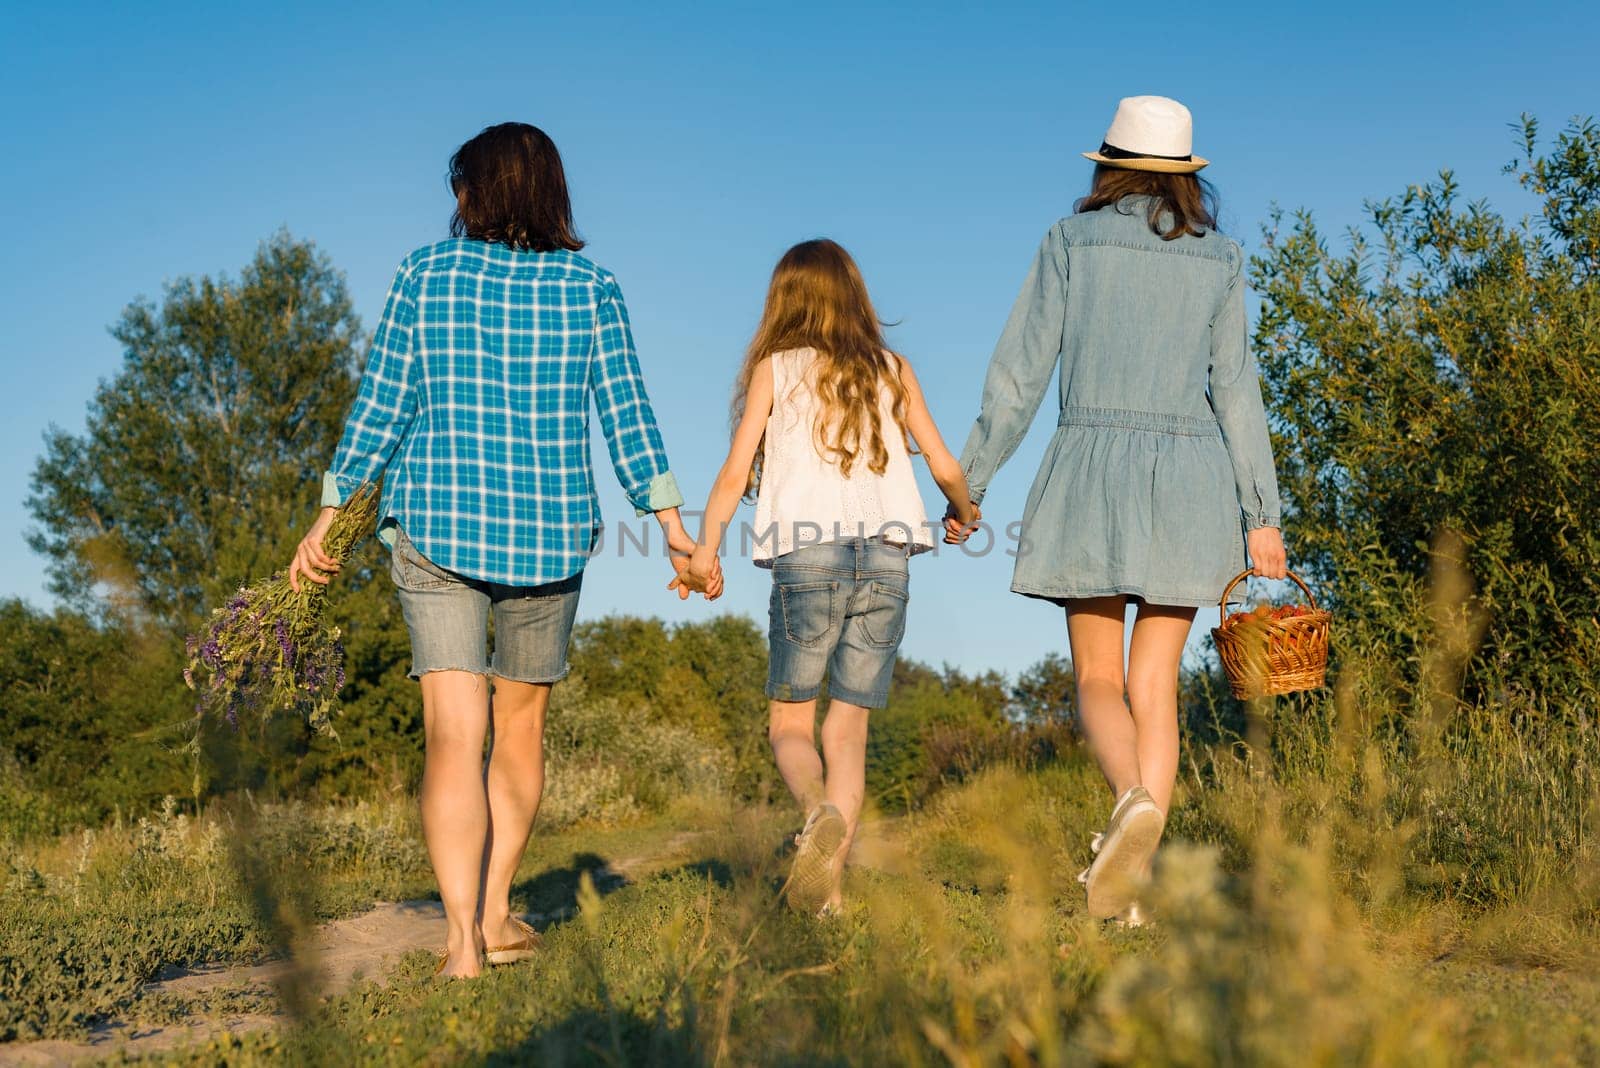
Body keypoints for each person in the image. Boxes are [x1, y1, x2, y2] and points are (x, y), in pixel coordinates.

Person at [287, 122, 719, 978]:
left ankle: (458, 950)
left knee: (453, 735)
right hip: (549, 535)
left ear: (472, 193)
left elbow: (384, 403)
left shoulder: (425, 273)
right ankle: (491, 915)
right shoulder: (593, 288)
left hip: (438, 527)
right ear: (553, 192)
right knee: (518, 732)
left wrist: (331, 513)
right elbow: (626, 414)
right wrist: (674, 528)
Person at [949, 96, 1287, 922]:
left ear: (1108, 165)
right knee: (1155, 688)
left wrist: (972, 483)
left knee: (1097, 678)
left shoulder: (1070, 242)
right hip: (1191, 479)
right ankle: (1132, 885)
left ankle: (1129, 798)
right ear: (1184, 178)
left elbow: (1018, 375)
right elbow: (1237, 392)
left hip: (1090, 469)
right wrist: (1263, 515)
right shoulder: (1221, 257)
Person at [672, 239, 978, 915]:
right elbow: (944, 461)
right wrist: (963, 510)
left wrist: (705, 550)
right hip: (889, 560)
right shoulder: (893, 369)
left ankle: (815, 813)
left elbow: (733, 471)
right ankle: (829, 894)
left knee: (790, 723)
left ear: (785, 302)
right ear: (854, 297)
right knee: (849, 733)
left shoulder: (776, 370)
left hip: (806, 559)